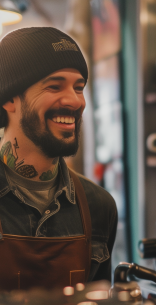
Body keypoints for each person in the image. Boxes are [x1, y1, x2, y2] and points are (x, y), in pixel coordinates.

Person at [0, 27, 118, 291]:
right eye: (54, 86)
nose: (75, 101)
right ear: (9, 98)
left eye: (79, 87)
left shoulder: (99, 207)